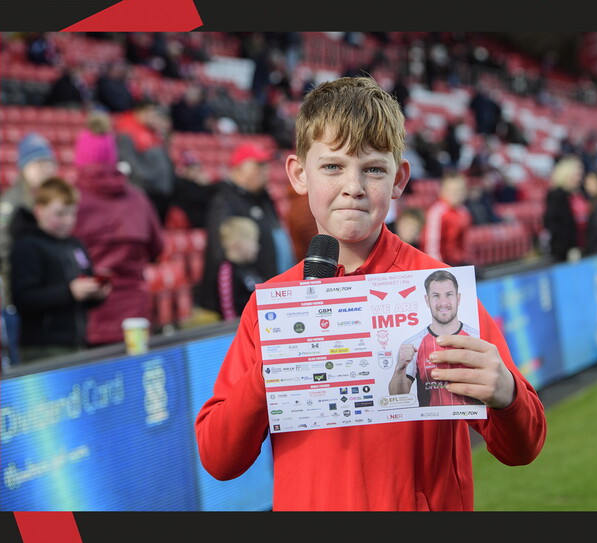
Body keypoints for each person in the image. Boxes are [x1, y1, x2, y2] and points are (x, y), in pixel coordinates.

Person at [194, 76, 546, 511]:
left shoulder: (440, 289)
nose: (354, 186)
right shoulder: (273, 305)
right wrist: (274, 369)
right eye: (333, 166)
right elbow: (218, 458)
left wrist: (506, 393)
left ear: (399, 180)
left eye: (373, 169)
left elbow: (523, 447)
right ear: (299, 174)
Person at [70, 111, 165, 347]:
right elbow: (158, 248)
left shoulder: (71, 200)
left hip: (90, 317)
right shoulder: (138, 198)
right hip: (135, 315)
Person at [10, 177, 110, 362]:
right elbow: (24, 298)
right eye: (60, 214)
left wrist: (96, 293)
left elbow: (82, 293)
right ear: (39, 210)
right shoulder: (27, 246)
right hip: (43, 347)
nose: (68, 220)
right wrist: (70, 292)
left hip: (77, 341)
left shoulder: (75, 245)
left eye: (72, 213)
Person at [197, 141, 295, 317]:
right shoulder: (225, 200)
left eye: (266, 165)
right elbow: (224, 253)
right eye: (258, 165)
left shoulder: (263, 198)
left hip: (273, 295)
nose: (265, 171)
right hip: (248, 302)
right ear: (239, 169)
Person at [388, 270, 484, 407]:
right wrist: (400, 368)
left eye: (449, 295)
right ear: (427, 300)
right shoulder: (413, 344)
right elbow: (397, 398)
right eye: (436, 296)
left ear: (458, 298)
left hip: (472, 427)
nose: (443, 302)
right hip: (433, 427)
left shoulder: (477, 338)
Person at [0, 132, 59, 307]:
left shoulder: (54, 198)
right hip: (22, 289)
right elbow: (2, 249)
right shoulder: (11, 203)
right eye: (39, 164)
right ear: (24, 167)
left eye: (49, 163)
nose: (46, 169)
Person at [114, 100, 177, 223]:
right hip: (146, 190)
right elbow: (129, 161)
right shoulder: (127, 132)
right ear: (139, 112)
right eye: (150, 113)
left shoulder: (154, 133)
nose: (153, 116)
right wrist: (148, 179)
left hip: (160, 191)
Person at [213, 216, 263, 321]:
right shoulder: (227, 271)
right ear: (238, 244)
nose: (257, 246)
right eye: (253, 241)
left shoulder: (250, 268)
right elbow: (228, 310)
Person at [421, 170, 472, 266]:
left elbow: (464, 242)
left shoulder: (464, 212)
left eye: (459, 190)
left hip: (459, 262)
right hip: (442, 263)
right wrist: (439, 267)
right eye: (451, 191)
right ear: (442, 191)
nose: (456, 194)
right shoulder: (437, 212)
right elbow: (432, 246)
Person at [542, 154, 583, 262]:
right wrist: (569, 247)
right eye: (576, 175)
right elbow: (553, 223)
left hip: (579, 245)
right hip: (564, 250)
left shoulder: (576, 193)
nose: (579, 178)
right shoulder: (557, 195)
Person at [170, 150, 219, 229]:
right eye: (192, 168)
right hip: (193, 224)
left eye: (197, 168)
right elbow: (198, 198)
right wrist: (205, 186)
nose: (196, 171)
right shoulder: (180, 184)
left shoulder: (197, 184)